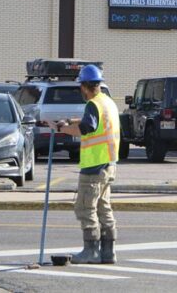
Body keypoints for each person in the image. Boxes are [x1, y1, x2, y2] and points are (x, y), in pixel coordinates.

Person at [54, 64, 120, 265]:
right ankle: (108, 252)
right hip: (108, 164)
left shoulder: (92, 105)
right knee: (103, 208)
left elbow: (87, 127)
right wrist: (70, 120)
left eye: (80, 86)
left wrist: (64, 130)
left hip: (93, 166)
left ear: (84, 86)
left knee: (85, 208)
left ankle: (91, 251)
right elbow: (95, 122)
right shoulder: (107, 102)